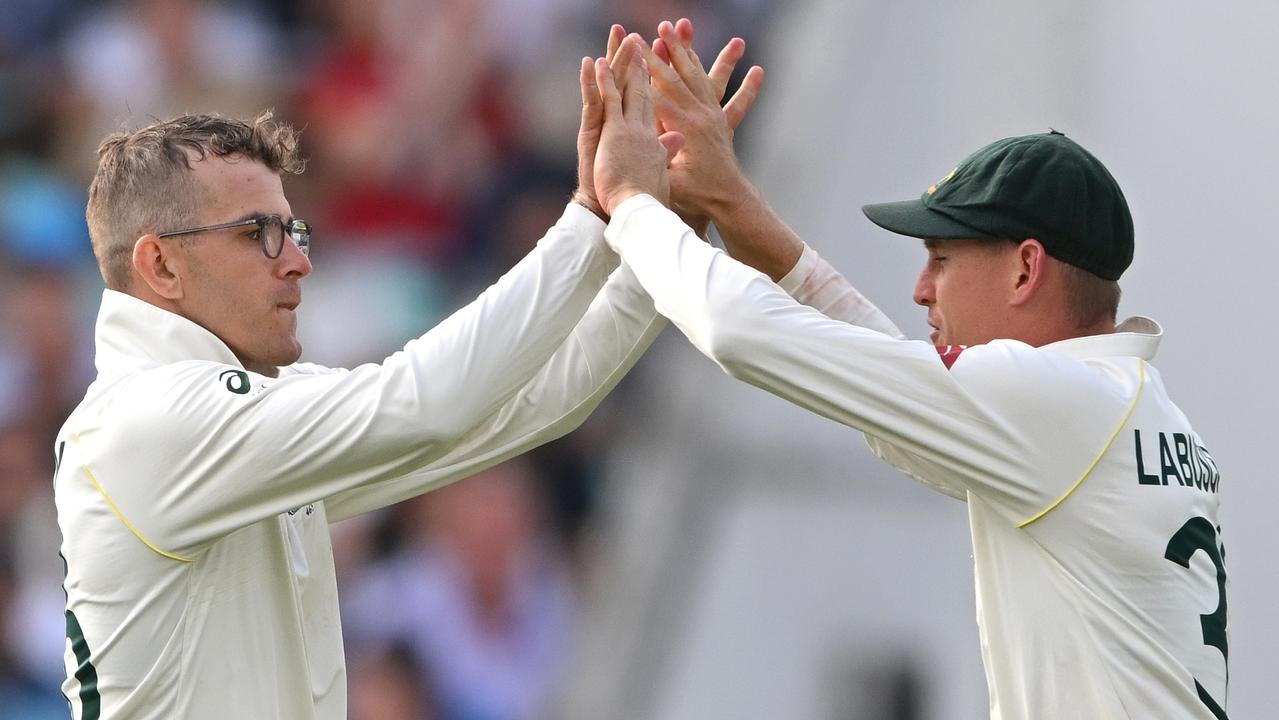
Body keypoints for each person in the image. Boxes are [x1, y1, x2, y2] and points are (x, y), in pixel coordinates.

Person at [51, 31, 759, 719]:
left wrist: (662, 227)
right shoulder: (151, 419)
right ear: (161, 265)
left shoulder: (225, 424)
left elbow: (532, 409)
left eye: (294, 232)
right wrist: (593, 215)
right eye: (257, 233)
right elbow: (427, 405)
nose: (297, 262)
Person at [589, 20, 1228, 719]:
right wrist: (732, 205)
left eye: (942, 259)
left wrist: (631, 205)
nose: (921, 288)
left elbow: (739, 332)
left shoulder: (1049, 403)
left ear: (1024, 269)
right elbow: (889, 383)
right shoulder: (1126, 407)